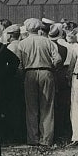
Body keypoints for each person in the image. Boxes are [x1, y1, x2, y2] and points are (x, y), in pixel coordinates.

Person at [15, 18, 58, 147]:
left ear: (27, 29)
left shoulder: (22, 44)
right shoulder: (47, 41)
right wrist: (52, 69)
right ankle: (46, 139)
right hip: (46, 72)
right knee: (47, 107)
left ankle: (33, 139)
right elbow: (58, 59)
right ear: (39, 28)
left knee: (31, 108)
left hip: (29, 73)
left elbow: (19, 64)